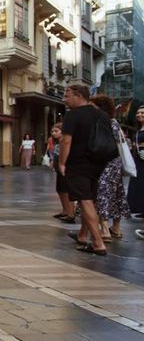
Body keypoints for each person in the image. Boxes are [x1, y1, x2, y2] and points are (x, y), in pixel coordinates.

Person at [59, 84, 111, 255]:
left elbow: (66, 140)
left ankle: (98, 243)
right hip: (98, 163)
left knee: (85, 200)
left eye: (67, 96)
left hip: (78, 163)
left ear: (79, 96)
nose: (64, 99)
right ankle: (83, 235)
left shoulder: (73, 115)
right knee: (90, 199)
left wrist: (62, 163)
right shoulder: (101, 114)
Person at [90, 95, 129, 240]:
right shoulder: (114, 122)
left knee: (102, 192)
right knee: (117, 192)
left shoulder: (100, 122)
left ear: (100, 107)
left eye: (93, 106)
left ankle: (105, 229)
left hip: (103, 161)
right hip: (115, 161)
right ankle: (116, 228)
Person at [49, 123, 75, 224]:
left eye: (56, 131)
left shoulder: (65, 142)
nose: (53, 133)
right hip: (59, 170)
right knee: (60, 190)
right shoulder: (57, 143)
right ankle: (65, 210)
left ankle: (70, 213)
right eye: (52, 131)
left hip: (66, 170)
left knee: (67, 191)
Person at [128, 106, 144, 220]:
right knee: (139, 183)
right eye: (138, 113)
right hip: (138, 159)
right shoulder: (138, 129)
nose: (139, 114)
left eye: (142, 113)